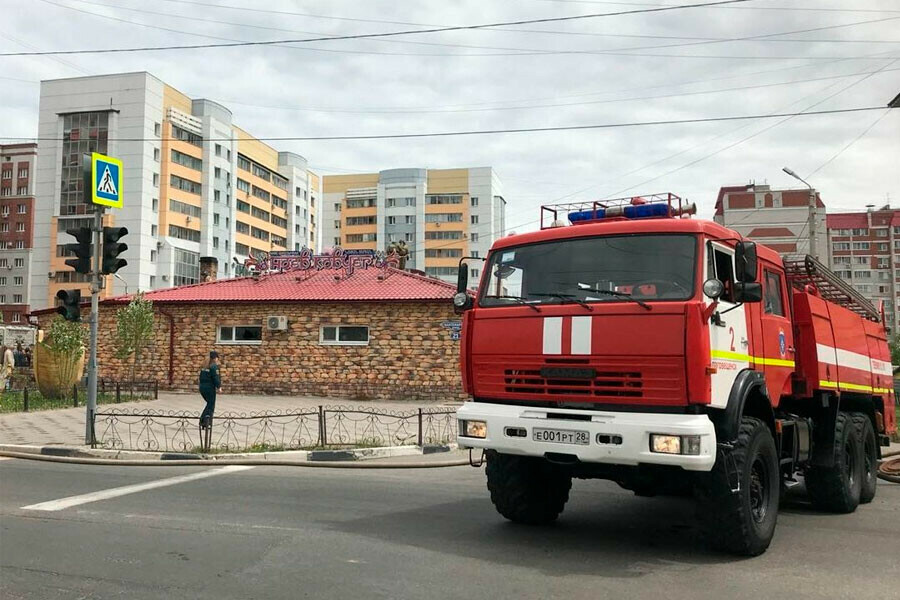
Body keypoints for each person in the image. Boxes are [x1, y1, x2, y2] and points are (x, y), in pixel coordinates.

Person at [198, 351, 222, 428]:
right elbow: (216, 378)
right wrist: (219, 387)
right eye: (217, 358)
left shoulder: (205, 366)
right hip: (209, 388)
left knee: (209, 404)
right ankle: (205, 421)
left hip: (202, 387)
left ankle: (204, 421)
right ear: (215, 358)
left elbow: (200, 377)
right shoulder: (214, 366)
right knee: (211, 405)